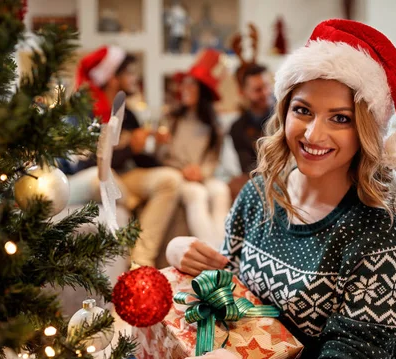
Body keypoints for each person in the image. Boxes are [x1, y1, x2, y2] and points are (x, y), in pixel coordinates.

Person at [125, 19, 396, 359]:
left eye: (340, 118)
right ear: (285, 110)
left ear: (366, 131)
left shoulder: (375, 234)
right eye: (303, 110)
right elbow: (237, 287)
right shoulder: (260, 192)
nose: (312, 134)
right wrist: (180, 253)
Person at [69, 46, 183, 267]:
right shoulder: (83, 112)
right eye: (129, 72)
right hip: (95, 176)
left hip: (124, 175)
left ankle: (140, 262)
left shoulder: (127, 113)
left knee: (170, 179)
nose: (135, 78)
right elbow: (86, 163)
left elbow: (139, 161)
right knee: (104, 177)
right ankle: (130, 201)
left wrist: (155, 152)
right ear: (112, 78)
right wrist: (130, 147)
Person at [157, 49, 231, 249]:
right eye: (185, 83)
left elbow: (213, 159)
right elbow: (162, 155)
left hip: (202, 174)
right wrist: (182, 169)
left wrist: (202, 172)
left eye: (192, 84)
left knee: (220, 190)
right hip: (177, 174)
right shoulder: (172, 120)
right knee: (197, 194)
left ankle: (224, 248)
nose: (185, 88)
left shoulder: (213, 127)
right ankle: (212, 253)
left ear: (203, 91)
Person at [227, 63, 273, 199]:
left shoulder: (287, 117)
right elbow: (247, 166)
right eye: (258, 90)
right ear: (244, 92)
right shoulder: (237, 128)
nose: (265, 93)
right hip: (258, 177)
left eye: (267, 86)